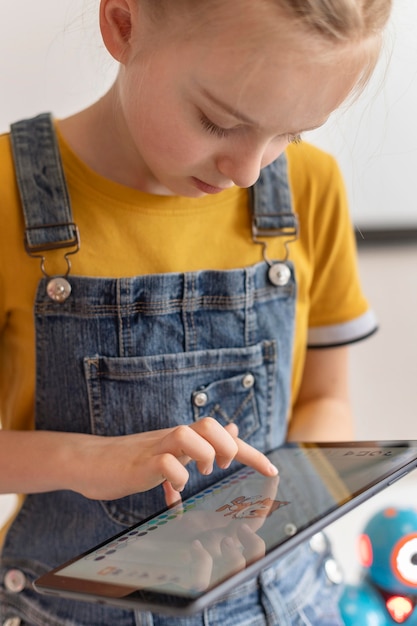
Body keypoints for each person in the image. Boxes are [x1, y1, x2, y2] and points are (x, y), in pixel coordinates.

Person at [0, 0, 393, 624]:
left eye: (292, 133)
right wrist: (89, 460)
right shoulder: (5, 198)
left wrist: (280, 498)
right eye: (216, 122)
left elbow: (325, 398)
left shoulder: (310, 187)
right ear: (123, 25)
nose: (245, 172)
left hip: (285, 599)